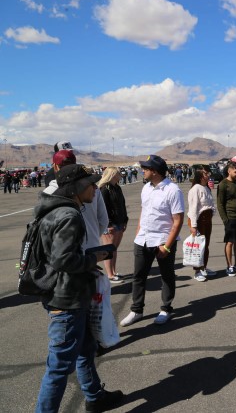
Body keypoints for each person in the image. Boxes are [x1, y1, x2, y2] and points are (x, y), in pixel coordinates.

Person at [35, 164, 123, 412]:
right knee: (59, 368)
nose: (95, 188)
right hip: (67, 300)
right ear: (76, 188)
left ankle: (95, 396)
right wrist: (94, 260)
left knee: (86, 349)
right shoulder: (69, 215)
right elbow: (63, 260)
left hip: (70, 294)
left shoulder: (54, 211)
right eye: (89, 184)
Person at [120, 155, 184, 327]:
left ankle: (165, 308)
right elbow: (144, 211)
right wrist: (138, 231)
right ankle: (136, 310)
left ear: (155, 171)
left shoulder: (173, 190)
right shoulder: (146, 188)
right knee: (138, 276)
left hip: (162, 240)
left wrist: (167, 247)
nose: (143, 171)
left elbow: (178, 220)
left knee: (166, 276)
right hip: (143, 239)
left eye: (146, 169)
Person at [98, 167, 129, 283]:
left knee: (114, 249)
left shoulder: (117, 187)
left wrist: (125, 220)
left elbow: (122, 204)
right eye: (117, 174)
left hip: (120, 222)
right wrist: (108, 224)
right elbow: (103, 209)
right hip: (110, 225)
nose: (120, 175)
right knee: (108, 250)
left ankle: (114, 272)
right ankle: (110, 275)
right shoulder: (104, 189)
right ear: (112, 175)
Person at [187, 167, 216, 282]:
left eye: (208, 173)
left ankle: (204, 267)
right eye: (205, 174)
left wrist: (212, 214)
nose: (208, 175)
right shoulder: (195, 189)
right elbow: (193, 208)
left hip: (207, 220)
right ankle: (197, 271)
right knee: (199, 246)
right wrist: (193, 226)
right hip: (198, 220)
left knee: (206, 245)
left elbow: (210, 203)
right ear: (200, 176)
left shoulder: (206, 187)